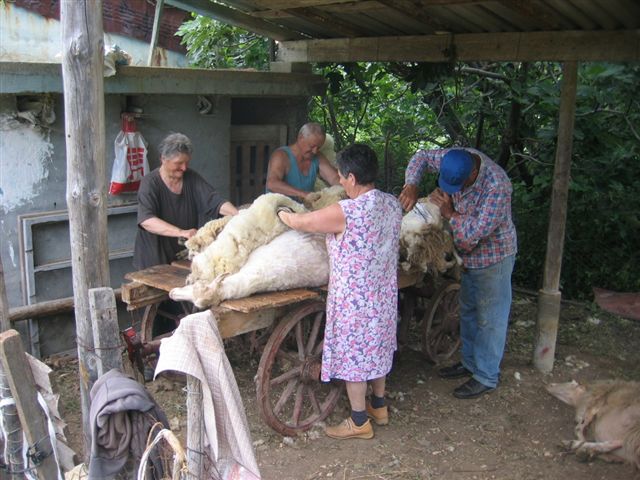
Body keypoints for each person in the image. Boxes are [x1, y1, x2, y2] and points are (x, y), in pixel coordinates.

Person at [278, 144, 402, 440]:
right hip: (383, 297)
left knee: (356, 358)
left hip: (354, 301)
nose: (340, 182)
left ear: (352, 177)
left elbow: (302, 222)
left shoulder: (347, 211)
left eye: (342, 177)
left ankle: (359, 422)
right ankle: (379, 407)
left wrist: (283, 214)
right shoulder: (391, 204)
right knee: (377, 350)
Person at [399, 147, 517, 399]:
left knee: (490, 317)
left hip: (492, 255)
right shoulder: (454, 158)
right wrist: (411, 184)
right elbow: (420, 156)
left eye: (459, 184)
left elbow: (472, 236)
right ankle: (470, 363)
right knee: (469, 309)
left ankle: (486, 375)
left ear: (473, 172)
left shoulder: (497, 186)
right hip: (467, 255)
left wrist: (449, 213)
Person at [133, 132, 238, 270]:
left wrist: (237, 214)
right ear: (163, 159)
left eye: (186, 162)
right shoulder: (150, 183)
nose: (184, 168)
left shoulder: (191, 178)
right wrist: (181, 232)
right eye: (179, 163)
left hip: (181, 256)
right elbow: (147, 221)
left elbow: (215, 201)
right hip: (153, 258)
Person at [265, 122, 340, 200]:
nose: (314, 151)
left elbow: (334, 178)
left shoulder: (317, 156)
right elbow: (272, 184)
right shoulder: (281, 155)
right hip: (280, 207)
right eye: (312, 146)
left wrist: (349, 189)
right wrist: (303, 194)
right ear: (300, 138)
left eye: (318, 147)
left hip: (303, 209)